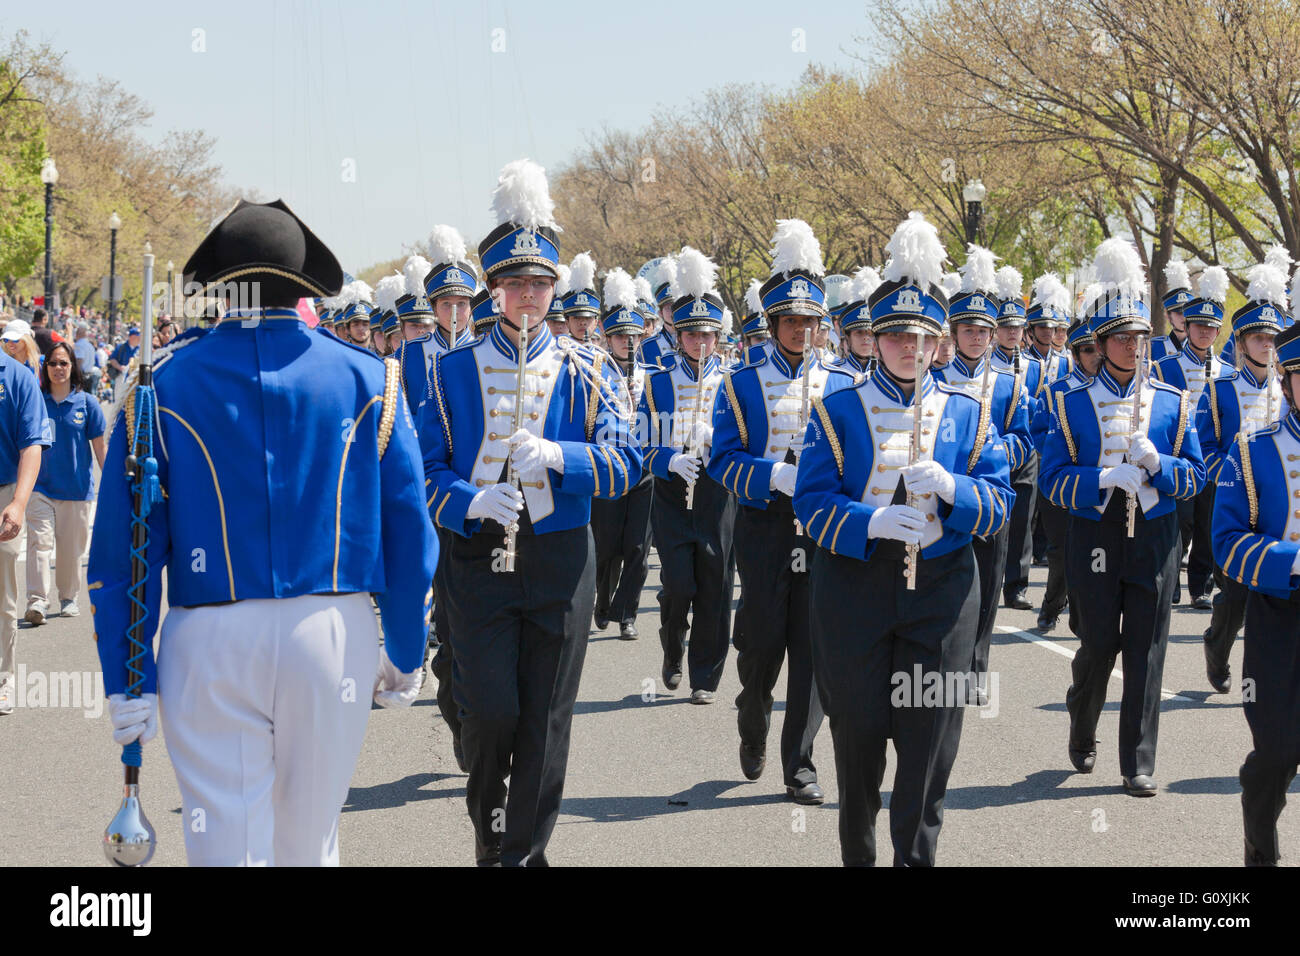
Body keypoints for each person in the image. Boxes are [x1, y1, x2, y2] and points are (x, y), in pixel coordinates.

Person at [88, 199, 437, 865]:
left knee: (224, 844)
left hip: (210, 636)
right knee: (311, 842)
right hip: (331, 635)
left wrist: (127, 677)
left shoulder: (159, 381)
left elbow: (122, 557)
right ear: (306, 286)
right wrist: (405, 644)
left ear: (219, 286)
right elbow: (409, 531)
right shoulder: (370, 376)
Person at [422, 159, 640, 866]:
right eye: (514, 284)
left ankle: (520, 850)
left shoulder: (590, 368)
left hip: (558, 558)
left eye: (539, 284)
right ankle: (491, 822)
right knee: (489, 714)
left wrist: (560, 457)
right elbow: (420, 471)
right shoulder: (448, 370)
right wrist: (467, 499)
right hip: (477, 560)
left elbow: (626, 461)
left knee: (546, 719)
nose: (527, 296)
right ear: (494, 288)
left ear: (554, 290)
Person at [793, 211, 1012, 865]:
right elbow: (810, 504)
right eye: (894, 336)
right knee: (859, 737)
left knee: (929, 742)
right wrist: (870, 522)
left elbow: (1000, 507)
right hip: (854, 593)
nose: (909, 348)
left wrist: (954, 490)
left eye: (921, 337)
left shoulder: (971, 415)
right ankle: (858, 850)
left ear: (938, 341)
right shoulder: (837, 410)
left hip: (943, 593)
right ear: (875, 338)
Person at [1039, 236, 1205, 796]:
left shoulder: (1173, 401)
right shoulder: (1070, 402)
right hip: (1096, 532)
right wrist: (1103, 479)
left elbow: (1196, 475)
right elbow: (1053, 480)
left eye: (1141, 337)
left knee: (1146, 648)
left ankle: (1137, 759)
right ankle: (1082, 721)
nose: (1134, 347)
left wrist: (1160, 465)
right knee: (1099, 644)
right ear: (1102, 343)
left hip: (1155, 533)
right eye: (1123, 339)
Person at [709, 219, 855, 805]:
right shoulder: (741, 383)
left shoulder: (845, 381)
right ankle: (751, 711)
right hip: (765, 526)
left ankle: (800, 763)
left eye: (810, 321)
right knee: (762, 643)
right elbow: (722, 459)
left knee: (815, 647)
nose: (801, 330)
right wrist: (774, 474)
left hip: (823, 532)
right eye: (790, 321)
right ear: (773, 325)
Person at [1212, 320, 1300, 865]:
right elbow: (1226, 541)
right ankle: (1259, 852)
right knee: (1277, 751)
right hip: (1279, 614)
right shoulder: (1252, 449)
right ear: (1287, 382)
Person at [932, 244, 1032, 701]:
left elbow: (1026, 435)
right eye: (968, 330)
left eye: (983, 331)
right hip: (947, 494)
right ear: (954, 332)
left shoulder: (1010, 383)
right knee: (952, 577)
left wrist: (998, 451)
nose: (976, 338)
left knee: (990, 580)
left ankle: (977, 664)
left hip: (991, 490)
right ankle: (947, 657)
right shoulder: (934, 378)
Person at [638, 246, 735, 704]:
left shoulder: (736, 380)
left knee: (715, 585)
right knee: (678, 585)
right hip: (673, 495)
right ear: (679, 335)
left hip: (717, 493)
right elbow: (639, 441)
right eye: (692, 333)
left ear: (718, 336)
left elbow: (747, 438)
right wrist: (668, 459)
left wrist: (717, 438)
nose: (700, 342)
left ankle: (705, 676)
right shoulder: (656, 381)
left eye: (707, 334)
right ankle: (672, 648)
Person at [1197, 259, 1286, 693]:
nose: (1267, 345)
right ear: (1242, 341)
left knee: (1270, 597)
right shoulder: (1219, 388)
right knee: (1235, 598)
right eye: (1259, 337)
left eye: (1272, 338)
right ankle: (1217, 643)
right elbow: (1204, 447)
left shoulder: (1289, 390)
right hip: (1233, 502)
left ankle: (1265, 688)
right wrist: (1230, 473)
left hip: (1279, 507)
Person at [1152, 266, 1230, 612]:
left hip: (1214, 456)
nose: (1204, 332)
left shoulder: (1228, 372)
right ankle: (1170, 580)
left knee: (1208, 522)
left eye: (1211, 327)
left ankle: (1201, 585)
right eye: (1198, 325)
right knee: (1179, 521)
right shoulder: (1165, 366)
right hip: (1179, 456)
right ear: (1187, 326)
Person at [590, 269, 653, 640]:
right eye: (620, 336)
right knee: (606, 546)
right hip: (610, 468)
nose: (627, 343)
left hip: (644, 468)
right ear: (608, 338)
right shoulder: (596, 374)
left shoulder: (652, 374)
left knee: (638, 547)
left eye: (633, 336)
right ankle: (602, 599)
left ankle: (627, 613)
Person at [24, 341, 106, 624]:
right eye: (53, 364)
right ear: (45, 368)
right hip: (40, 488)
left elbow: (99, 447)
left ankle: (69, 597)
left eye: (64, 363)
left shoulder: (88, 403)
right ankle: (37, 601)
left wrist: (111, 485)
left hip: (77, 490)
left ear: (73, 367)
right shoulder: (36, 400)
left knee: (71, 551)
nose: (58, 368)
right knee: (39, 542)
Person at [1031, 314, 1101, 633]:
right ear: (1074, 354)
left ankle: (1085, 611)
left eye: (1098, 348)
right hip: (1062, 482)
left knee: (1093, 552)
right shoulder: (1054, 392)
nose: (1095, 356)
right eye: (1087, 350)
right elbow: (1036, 434)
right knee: (1061, 550)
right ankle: (1052, 604)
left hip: (1100, 484)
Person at [0, 331, 51, 715]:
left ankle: (3, 676)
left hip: (4, 492)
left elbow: (31, 443)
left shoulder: (16, 377)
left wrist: (18, 503)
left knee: (2, 593)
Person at [637, 257, 678, 368]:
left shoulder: (694, 339)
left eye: (677, 306)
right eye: (669, 307)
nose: (674, 312)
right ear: (660, 312)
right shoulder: (647, 346)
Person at [563, 253, 601, 343]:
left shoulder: (603, 357)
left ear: (596, 323)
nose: (583, 322)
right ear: (567, 323)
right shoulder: (556, 356)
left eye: (588, 318)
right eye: (576, 318)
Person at [108, 327, 140, 402]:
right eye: (138, 337)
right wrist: (120, 367)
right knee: (119, 398)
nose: (139, 339)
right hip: (121, 376)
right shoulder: (121, 347)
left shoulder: (140, 348)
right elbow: (112, 359)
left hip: (135, 378)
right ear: (132, 337)